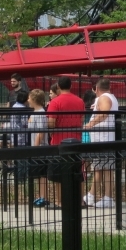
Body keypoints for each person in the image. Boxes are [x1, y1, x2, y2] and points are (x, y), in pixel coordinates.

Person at [46, 77, 86, 208]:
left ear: (58, 86)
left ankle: (60, 201)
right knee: (77, 173)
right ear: (71, 85)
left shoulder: (55, 102)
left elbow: (51, 122)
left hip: (59, 141)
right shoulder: (80, 101)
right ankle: (79, 200)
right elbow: (81, 120)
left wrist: (51, 133)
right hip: (76, 140)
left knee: (58, 174)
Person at [84, 77, 118, 208]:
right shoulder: (110, 97)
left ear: (96, 88)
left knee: (104, 169)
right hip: (104, 138)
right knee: (99, 168)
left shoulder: (104, 98)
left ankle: (106, 197)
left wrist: (91, 123)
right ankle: (92, 196)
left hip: (103, 139)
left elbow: (104, 112)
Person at [27, 90, 53, 207]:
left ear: (34, 99)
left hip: (40, 147)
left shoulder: (41, 113)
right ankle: (40, 196)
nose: (28, 100)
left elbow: (41, 132)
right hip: (33, 145)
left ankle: (44, 197)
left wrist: (35, 148)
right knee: (38, 173)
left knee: (42, 174)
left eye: (29, 98)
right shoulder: (34, 112)